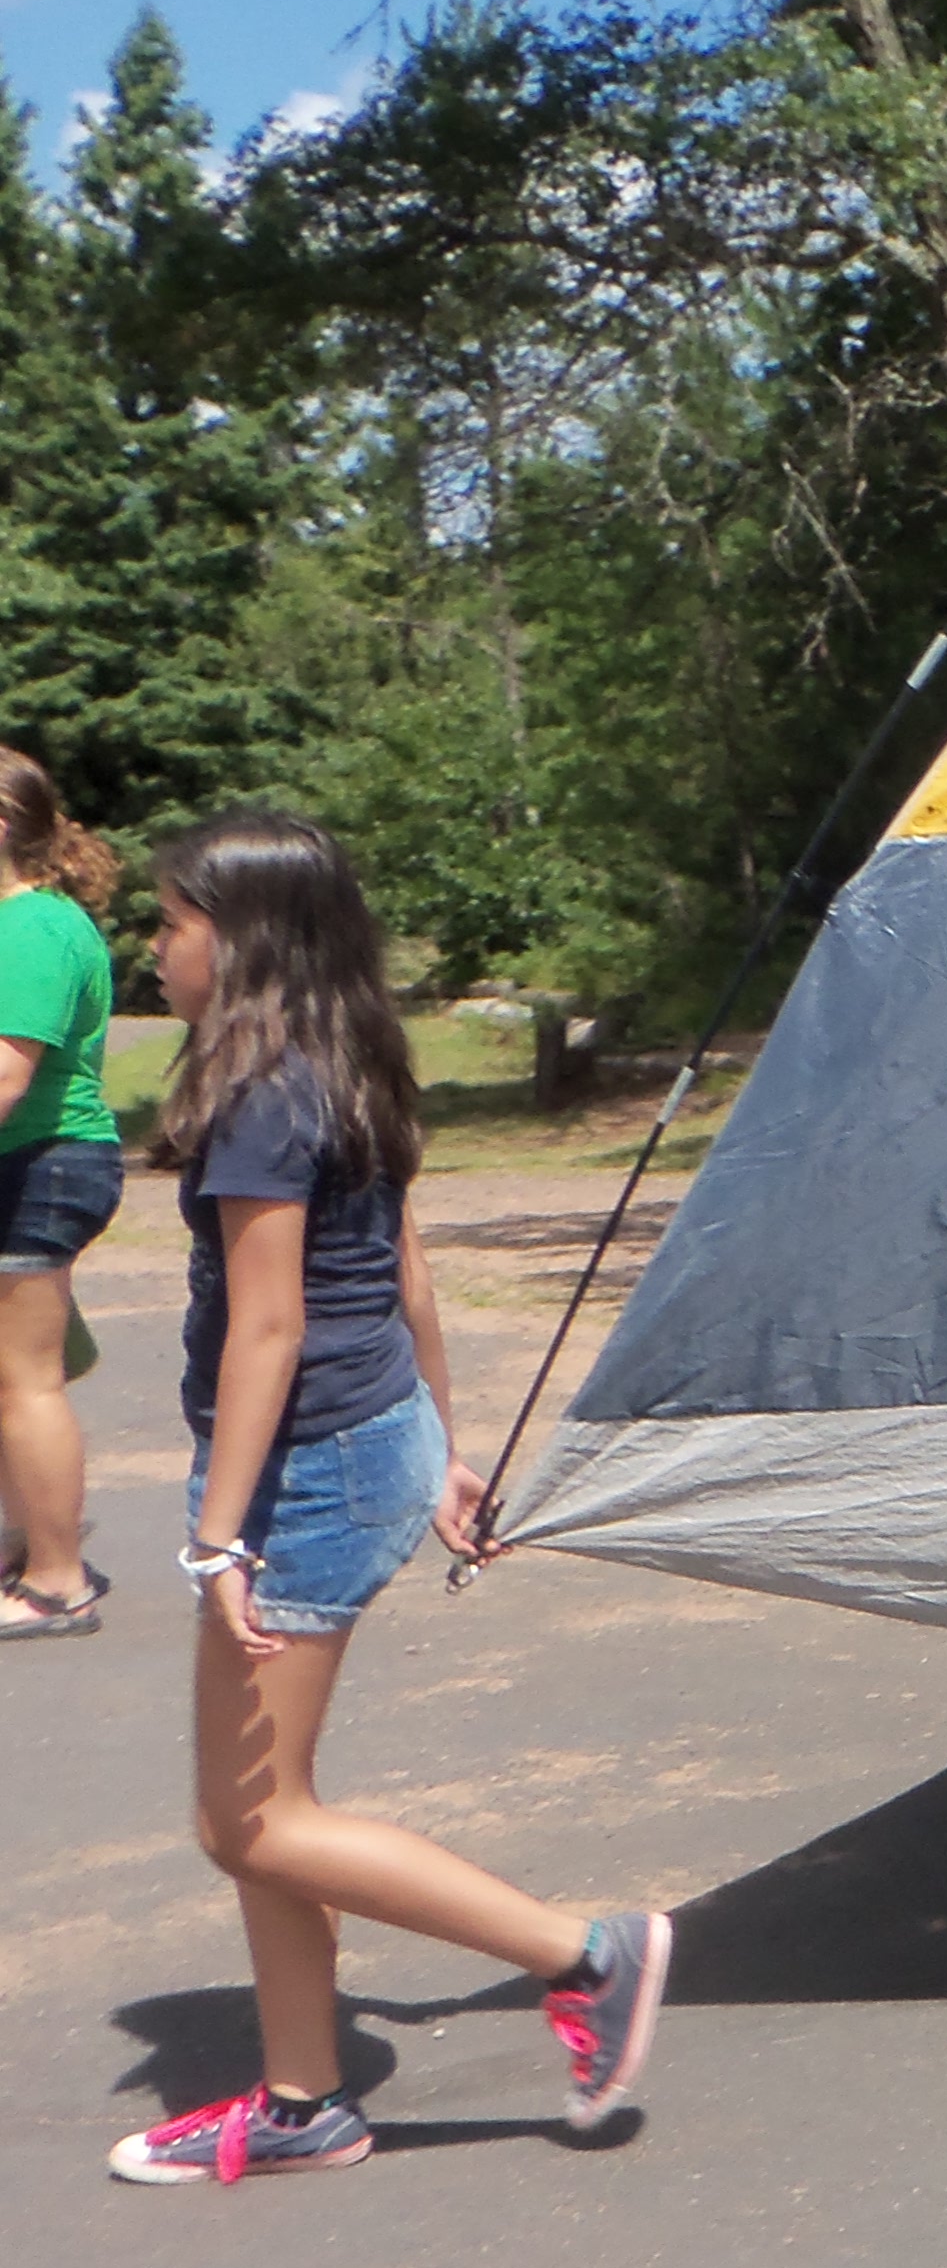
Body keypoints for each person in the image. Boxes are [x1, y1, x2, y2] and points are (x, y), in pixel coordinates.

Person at [106, 812, 667, 2185]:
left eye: (171, 923)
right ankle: (304, 2103)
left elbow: (270, 1327)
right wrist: (439, 1444)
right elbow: (404, 1268)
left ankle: (582, 1955)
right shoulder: (345, 1058)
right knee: (270, 1807)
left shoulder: (258, 1093)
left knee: (248, 1821)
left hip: (304, 1470)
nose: (153, 947)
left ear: (242, 941)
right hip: (373, 1436)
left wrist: (218, 1536)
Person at [0, 746, 127, 1634]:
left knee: (24, 1380)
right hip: (27, 1162)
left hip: (40, 1164)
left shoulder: (34, 930)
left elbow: (5, 1077)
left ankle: (56, 1583)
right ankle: (27, 1547)